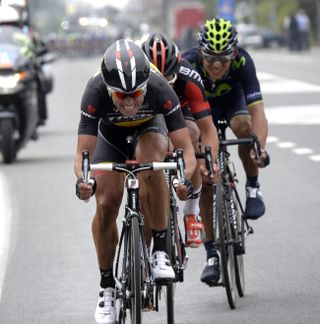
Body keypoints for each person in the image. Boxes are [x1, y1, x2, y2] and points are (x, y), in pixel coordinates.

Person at [74, 39, 197, 324]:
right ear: (107, 89)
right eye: (120, 96)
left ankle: (160, 252)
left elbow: (185, 150)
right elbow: (83, 155)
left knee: (151, 165)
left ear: (145, 86)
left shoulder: (159, 88)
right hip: (110, 136)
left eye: (136, 94)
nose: (129, 103)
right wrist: (84, 182)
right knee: (105, 203)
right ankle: (106, 286)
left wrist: (183, 178)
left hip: (149, 128)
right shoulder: (94, 92)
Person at [183, 18, 270, 285]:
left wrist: (259, 148)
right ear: (200, 52)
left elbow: (258, 112)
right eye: (211, 57)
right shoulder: (187, 63)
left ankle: (253, 187)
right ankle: (211, 256)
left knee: (245, 129)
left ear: (234, 53)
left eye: (224, 57)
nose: (217, 64)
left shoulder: (244, 62)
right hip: (200, 110)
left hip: (233, 104)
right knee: (207, 177)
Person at [141, 32, 219, 248]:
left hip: (181, 110)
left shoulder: (189, 76)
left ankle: (192, 211)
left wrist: (210, 161)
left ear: (176, 70)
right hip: (149, 113)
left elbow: (208, 128)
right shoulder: (135, 77)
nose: (163, 85)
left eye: (168, 79)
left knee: (192, 133)